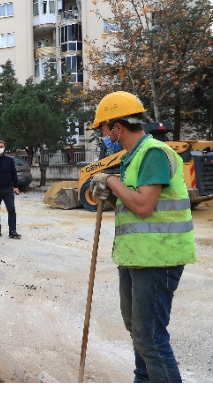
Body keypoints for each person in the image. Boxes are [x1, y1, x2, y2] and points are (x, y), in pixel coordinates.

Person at [89, 91, 196, 383]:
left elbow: (144, 207)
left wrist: (109, 180)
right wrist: (109, 195)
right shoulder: (132, 158)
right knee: (138, 330)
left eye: (102, 128)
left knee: (150, 337)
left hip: (158, 259)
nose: (102, 134)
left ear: (117, 127)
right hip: (137, 257)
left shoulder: (153, 154)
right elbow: (130, 206)